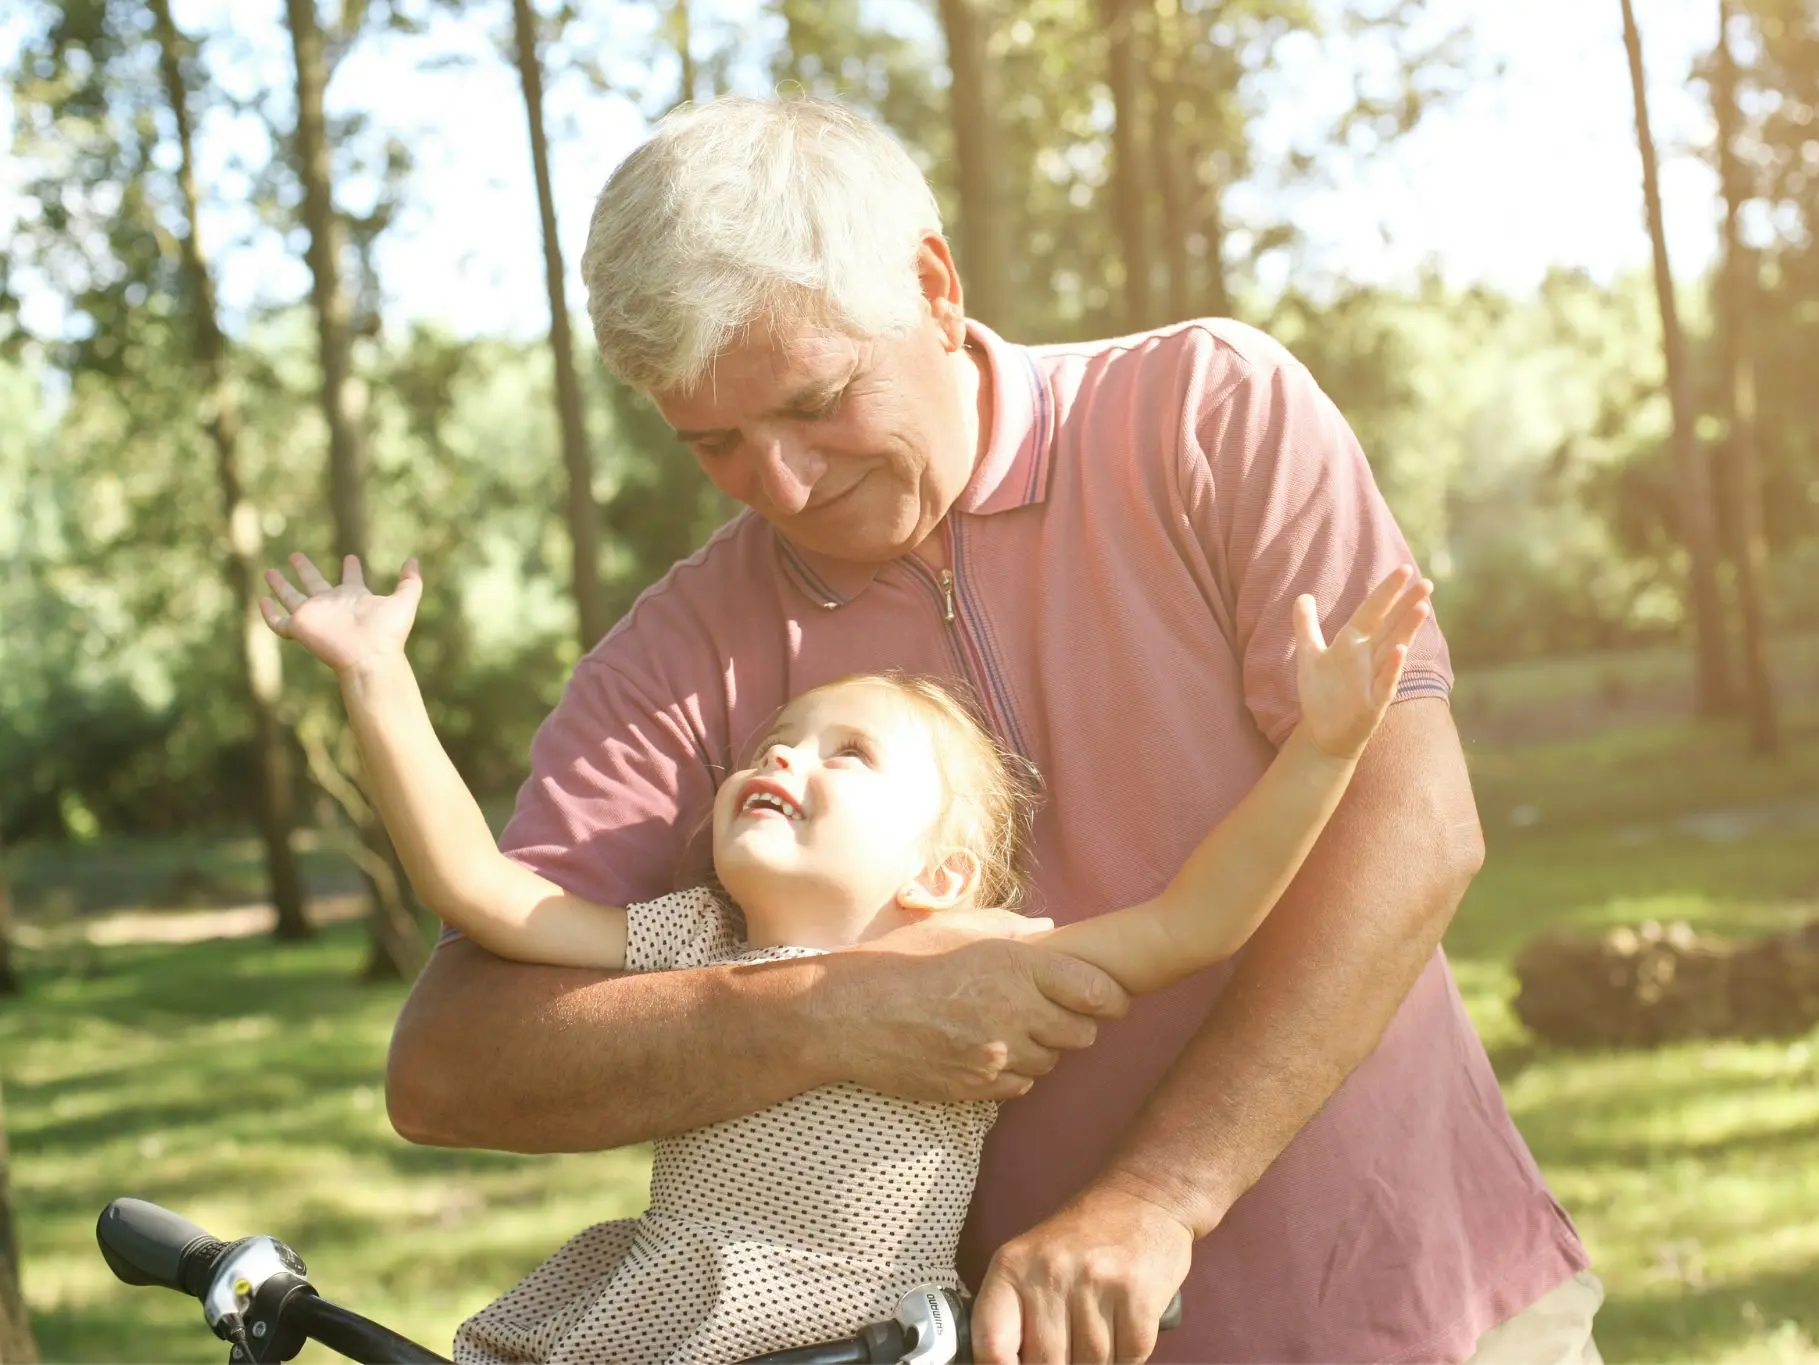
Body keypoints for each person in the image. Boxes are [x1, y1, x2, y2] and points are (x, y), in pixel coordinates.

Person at [383, 94, 1598, 1364]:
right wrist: (828, 1010)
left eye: (814, 401)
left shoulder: (1207, 411)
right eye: (715, 445)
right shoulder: (673, 660)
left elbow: (1417, 830)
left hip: (1422, 1305)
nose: (780, 484)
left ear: (932, 284)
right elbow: (454, 1065)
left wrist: (1156, 1199)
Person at [261, 549, 1429, 1363]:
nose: (784, 760)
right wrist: (377, 681)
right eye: (774, 742)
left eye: (847, 754)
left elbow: (1198, 920)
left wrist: (1321, 750)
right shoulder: (687, 943)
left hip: (857, 1338)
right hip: (675, 1321)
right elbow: (476, 890)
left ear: (936, 874)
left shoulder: (970, 958)